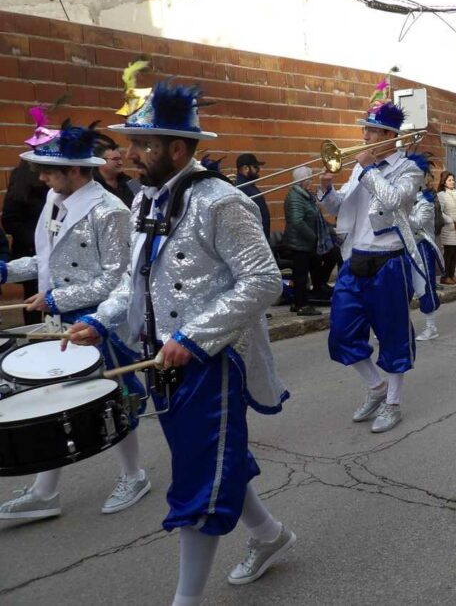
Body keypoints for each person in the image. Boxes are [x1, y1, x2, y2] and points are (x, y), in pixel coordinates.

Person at [64, 81, 294, 605]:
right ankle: (269, 534)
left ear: (175, 148)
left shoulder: (221, 202)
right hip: (162, 360)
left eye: (143, 145)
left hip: (213, 362)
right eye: (132, 143)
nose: (131, 155)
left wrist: (195, 335)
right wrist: (100, 321)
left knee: (198, 478)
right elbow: (136, 282)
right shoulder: (147, 201)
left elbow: (264, 281)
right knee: (207, 458)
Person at [0, 119, 149, 521]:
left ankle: (134, 475)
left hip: (100, 320)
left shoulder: (110, 211)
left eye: (50, 171)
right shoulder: (55, 200)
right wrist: (8, 271)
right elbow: (47, 262)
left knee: (115, 398)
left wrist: (57, 297)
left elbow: (118, 279)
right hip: (61, 320)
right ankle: (44, 491)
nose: (43, 178)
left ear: (77, 170)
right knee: (55, 398)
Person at [318, 85, 429, 434]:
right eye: (365, 129)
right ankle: (375, 386)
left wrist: (368, 170)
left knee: (393, 336)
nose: (363, 136)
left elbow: (394, 200)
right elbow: (340, 208)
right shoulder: (359, 169)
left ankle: (393, 402)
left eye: (370, 131)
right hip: (355, 260)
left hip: (389, 262)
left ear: (389, 136)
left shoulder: (409, 169)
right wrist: (325, 189)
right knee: (341, 333)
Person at [2, 160, 47, 324]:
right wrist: (36, 242)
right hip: (30, 249)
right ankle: (34, 332)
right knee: (33, 298)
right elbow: (9, 220)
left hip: (47, 250)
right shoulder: (22, 183)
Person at [282, 166, 322, 316]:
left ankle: (298, 301)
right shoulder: (295, 197)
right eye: (309, 179)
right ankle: (301, 305)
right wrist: (314, 237)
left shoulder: (303, 195)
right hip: (299, 243)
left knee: (304, 272)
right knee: (301, 274)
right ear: (302, 180)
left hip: (303, 242)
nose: (311, 181)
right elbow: (297, 221)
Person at [410, 171, 444, 340]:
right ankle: (395, 326)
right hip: (405, 247)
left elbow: (417, 223)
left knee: (425, 286)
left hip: (422, 247)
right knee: (400, 288)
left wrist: (399, 211)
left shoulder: (427, 202)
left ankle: (431, 327)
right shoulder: (407, 198)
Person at [437, 170, 456, 284]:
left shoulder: (455, 193)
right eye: (449, 180)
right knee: (448, 253)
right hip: (449, 228)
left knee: (455, 253)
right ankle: (445, 276)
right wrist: (450, 220)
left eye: (453, 180)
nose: (452, 182)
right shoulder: (441, 195)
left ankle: (452, 275)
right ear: (444, 182)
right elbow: (439, 211)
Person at [235, 153, 271, 241]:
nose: (258, 170)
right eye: (255, 167)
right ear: (245, 168)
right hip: (257, 240)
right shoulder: (247, 189)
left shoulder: (244, 186)